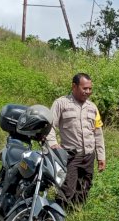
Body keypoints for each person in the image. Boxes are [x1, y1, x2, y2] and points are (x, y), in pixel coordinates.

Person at [45, 73, 106, 206]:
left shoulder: (92, 107)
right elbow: (50, 126)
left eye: (90, 89)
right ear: (74, 86)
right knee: (67, 189)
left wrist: (101, 156)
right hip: (70, 155)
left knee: (84, 189)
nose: (88, 92)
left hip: (89, 156)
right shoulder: (61, 103)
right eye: (85, 88)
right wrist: (53, 143)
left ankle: (75, 216)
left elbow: (98, 133)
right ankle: (54, 219)